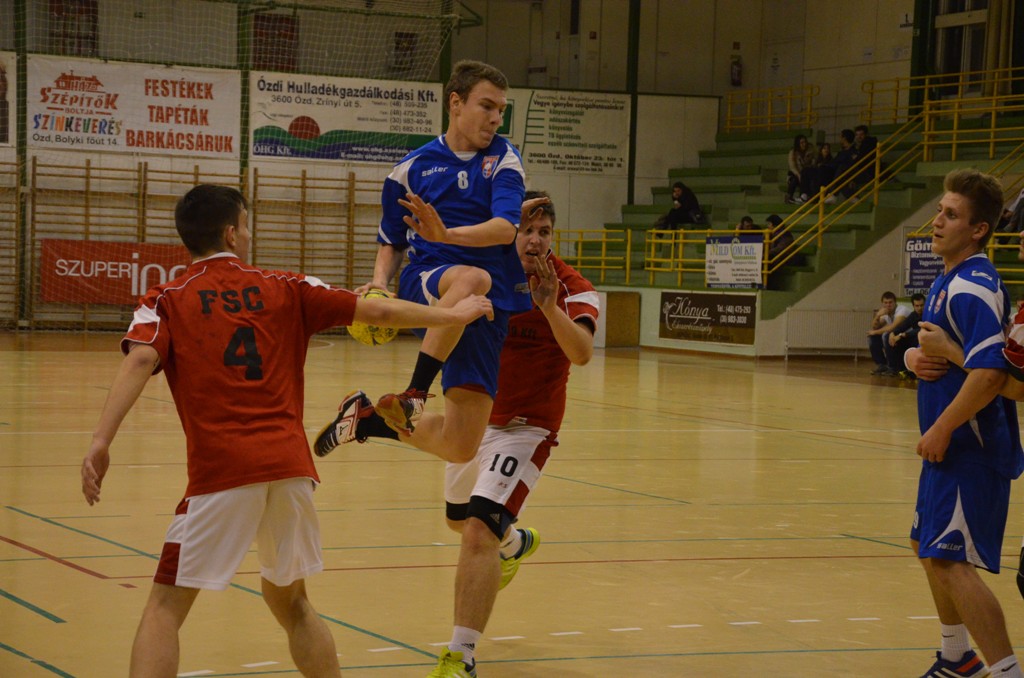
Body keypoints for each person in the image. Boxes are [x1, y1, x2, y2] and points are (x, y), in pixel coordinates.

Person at [80, 184, 494, 678]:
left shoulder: (166, 298)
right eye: (246, 225)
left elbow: (140, 359)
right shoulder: (286, 286)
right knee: (292, 602)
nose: (249, 235)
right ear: (231, 234)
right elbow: (379, 311)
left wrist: (101, 440)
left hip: (222, 472)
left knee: (165, 608)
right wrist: (453, 314)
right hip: (291, 470)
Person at [315, 59, 532, 466]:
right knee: (473, 278)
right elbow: (392, 240)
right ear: (456, 103)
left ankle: (364, 420)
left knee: (461, 446)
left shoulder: (503, 159)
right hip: (429, 282)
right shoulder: (411, 169)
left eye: (501, 110)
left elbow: (505, 229)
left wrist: (446, 233)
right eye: (487, 106)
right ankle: (414, 394)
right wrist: (380, 282)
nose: (496, 119)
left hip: (487, 309)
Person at [428, 191, 598, 677]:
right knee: (458, 520)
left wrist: (548, 308)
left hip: (527, 427)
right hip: (476, 420)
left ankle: (460, 656)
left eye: (545, 232)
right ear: (511, 232)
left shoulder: (572, 287)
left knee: (478, 530)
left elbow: (582, 352)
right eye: (527, 230)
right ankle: (515, 543)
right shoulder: (484, 275)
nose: (535, 240)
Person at [901, 168, 1024, 678]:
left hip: (970, 447)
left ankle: (1006, 671)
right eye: (939, 210)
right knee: (925, 546)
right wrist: (913, 357)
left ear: (978, 230)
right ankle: (957, 659)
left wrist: (944, 427)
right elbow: (947, 352)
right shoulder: (948, 279)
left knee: (951, 561)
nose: (937, 221)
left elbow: (991, 374)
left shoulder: (972, 285)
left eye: (951, 215)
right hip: (950, 450)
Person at [867, 291, 912, 376]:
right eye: (885, 303)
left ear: (895, 302)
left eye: (890, 302)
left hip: (907, 337)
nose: (888, 305)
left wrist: (875, 332)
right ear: (882, 303)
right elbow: (875, 327)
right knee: (872, 337)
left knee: (885, 335)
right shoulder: (885, 312)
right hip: (895, 336)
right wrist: (877, 315)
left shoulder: (902, 310)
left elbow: (893, 327)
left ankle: (893, 367)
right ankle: (881, 364)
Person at [883, 292, 925, 378]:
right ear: (913, 306)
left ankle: (910, 370)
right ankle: (894, 368)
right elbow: (903, 326)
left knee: (917, 338)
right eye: (917, 306)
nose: (919, 308)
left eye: (921, 305)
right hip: (912, 338)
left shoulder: (928, 315)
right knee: (888, 337)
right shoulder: (913, 315)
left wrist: (903, 335)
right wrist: (893, 333)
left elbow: (921, 329)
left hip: (922, 340)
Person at [785, 134, 815, 204]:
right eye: (801, 143)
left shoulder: (811, 150)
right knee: (794, 179)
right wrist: (799, 175)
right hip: (796, 172)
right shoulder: (793, 152)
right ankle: (789, 196)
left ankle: (807, 197)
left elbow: (814, 161)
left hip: (807, 173)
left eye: (805, 142)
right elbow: (792, 167)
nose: (804, 144)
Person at [832, 129, 860, 199]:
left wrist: (853, 179)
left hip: (848, 174)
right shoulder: (841, 152)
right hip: (837, 173)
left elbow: (853, 165)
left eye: (840, 137)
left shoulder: (854, 151)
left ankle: (833, 194)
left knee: (842, 169)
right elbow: (834, 163)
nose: (839, 138)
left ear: (844, 138)